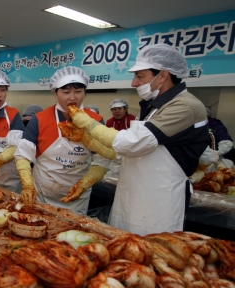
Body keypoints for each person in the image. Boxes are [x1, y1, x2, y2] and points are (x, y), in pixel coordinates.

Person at [69, 43, 209, 235]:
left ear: (162, 75)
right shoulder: (154, 107)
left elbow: (131, 143)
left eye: (140, 76)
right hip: (131, 199)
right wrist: (92, 143)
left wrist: (87, 122)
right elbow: (129, 150)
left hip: (157, 207)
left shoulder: (185, 106)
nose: (134, 83)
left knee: (152, 254)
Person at [13, 66, 111, 215]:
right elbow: (22, 155)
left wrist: (84, 184)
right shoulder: (40, 119)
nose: (72, 98)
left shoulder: (95, 121)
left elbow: (103, 160)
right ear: (55, 93)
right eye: (66, 92)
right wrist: (27, 186)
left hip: (77, 200)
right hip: (42, 196)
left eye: (78, 91)